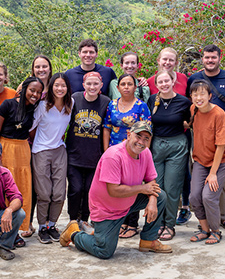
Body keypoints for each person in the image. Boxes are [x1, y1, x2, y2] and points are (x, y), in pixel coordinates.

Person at [58, 121, 172, 258]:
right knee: (104, 251)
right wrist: (143, 188)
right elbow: (114, 190)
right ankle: (74, 233)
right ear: (129, 135)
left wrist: (152, 201)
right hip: (107, 210)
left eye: (146, 138)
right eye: (138, 136)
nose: (141, 142)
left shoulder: (145, 153)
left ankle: (148, 241)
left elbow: (151, 181)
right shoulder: (113, 156)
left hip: (128, 203)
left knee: (160, 196)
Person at [187, 44, 225, 230]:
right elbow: (189, 111)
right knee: (200, 192)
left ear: (219, 58)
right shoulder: (194, 79)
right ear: (202, 58)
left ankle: (223, 216)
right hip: (203, 144)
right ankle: (207, 224)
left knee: (222, 184)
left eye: (213, 57)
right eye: (207, 57)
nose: (210, 60)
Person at [0, 76, 44, 246]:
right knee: (5, 190)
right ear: (24, 89)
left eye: (38, 92)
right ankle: (4, 231)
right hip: (6, 148)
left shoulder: (34, 108)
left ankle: (16, 230)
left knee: (22, 189)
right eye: (32, 90)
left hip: (23, 150)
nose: (35, 94)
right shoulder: (8, 104)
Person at [187, 80, 225, 245]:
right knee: (194, 196)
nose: (198, 97)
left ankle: (215, 231)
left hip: (222, 160)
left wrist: (213, 173)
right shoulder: (194, 109)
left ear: (209, 96)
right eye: (195, 94)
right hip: (201, 159)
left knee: (208, 196)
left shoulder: (219, 114)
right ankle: (204, 229)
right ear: (191, 96)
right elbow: (191, 125)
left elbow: (221, 146)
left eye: (202, 94)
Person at [104, 73, 152, 238]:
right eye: (123, 84)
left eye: (129, 84)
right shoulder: (112, 105)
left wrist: (144, 153)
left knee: (133, 186)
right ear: (117, 88)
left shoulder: (141, 106)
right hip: (114, 153)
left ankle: (132, 224)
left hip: (134, 152)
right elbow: (107, 127)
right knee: (117, 187)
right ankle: (120, 221)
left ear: (135, 87)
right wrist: (106, 151)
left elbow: (147, 133)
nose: (126, 87)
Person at [146, 70, 191, 241]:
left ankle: (169, 224)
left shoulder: (183, 102)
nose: (164, 84)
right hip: (156, 145)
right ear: (156, 85)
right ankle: (158, 223)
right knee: (158, 186)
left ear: (173, 81)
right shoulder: (152, 100)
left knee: (172, 187)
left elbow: (189, 122)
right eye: (160, 82)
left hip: (177, 145)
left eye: (167, 81)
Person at [30, 73, 73, 244]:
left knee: (59, 193)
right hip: (41, 151)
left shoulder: (71, 104)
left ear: (67, 88)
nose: (60, 89)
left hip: (59, 150)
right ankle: (42, 227)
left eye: (63, 86)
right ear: (51, 87)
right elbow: (30, 126)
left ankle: (52, 225)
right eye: (56, 85)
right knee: (44, 193)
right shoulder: (43, 106)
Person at [65, 72, 110, 235]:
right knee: (75, 189)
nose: (92, 87)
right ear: (83, 85)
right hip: (74, 154)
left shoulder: (105, 102)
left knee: (90, 190)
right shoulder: (75, 98)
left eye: (95, 84)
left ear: (101, 85)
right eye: (89, 84)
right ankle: (72, 220)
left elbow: (109, 127)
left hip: (95, 156)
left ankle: (84, 219)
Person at [15, 55, 53, 238]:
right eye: (37, 66)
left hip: (47, 143)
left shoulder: (55, 88)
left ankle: (42, 221)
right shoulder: (25, 86)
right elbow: (16, 107)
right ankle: (26, 222)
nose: (41, 69)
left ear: (49, 68)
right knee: (27, 183)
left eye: (44, 66)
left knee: (41, 184)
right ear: (33, 69)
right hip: (27, 141)